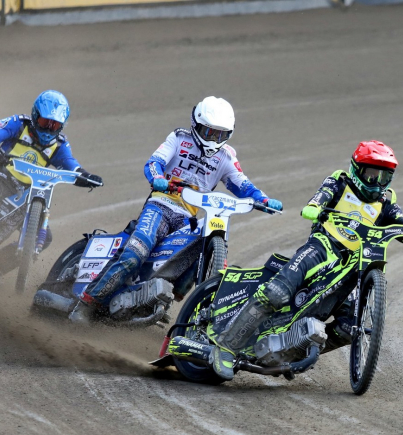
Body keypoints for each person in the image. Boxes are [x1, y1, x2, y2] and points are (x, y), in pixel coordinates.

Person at [208, 140, 403, 380]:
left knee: (348, 327)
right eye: (372, 174)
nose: (377, 183)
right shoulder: (339, 182)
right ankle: (225, 348)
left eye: (384, 177)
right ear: (357, 169)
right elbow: (320, 198)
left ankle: (293, 352)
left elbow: (401, 227)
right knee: (276, 293)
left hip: (351, 266)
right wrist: (314, 207)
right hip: (321, 247)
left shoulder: (386, 202)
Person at [80, 96, 282, 309]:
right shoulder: (178, 138)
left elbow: (243, 185)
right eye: (209, 132)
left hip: (187, 219)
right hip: (160, 207)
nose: (214, 139)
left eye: (220, 134)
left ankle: (163, 297)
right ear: (196, 124)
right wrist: (157, 177)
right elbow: (154, 162)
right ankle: (87, 302)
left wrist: (263, 199)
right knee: (136, 252)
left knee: (201, 245)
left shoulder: (226, 157)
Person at [0, 90, 102, 277]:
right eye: (44, 123)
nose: (48, 130)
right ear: (35, 116)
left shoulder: (60, 145)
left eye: (54, 125)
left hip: (28, 197)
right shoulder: (18, 123)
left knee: (43, 238)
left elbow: (72, 166)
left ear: (62, 125)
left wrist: (87, 177)